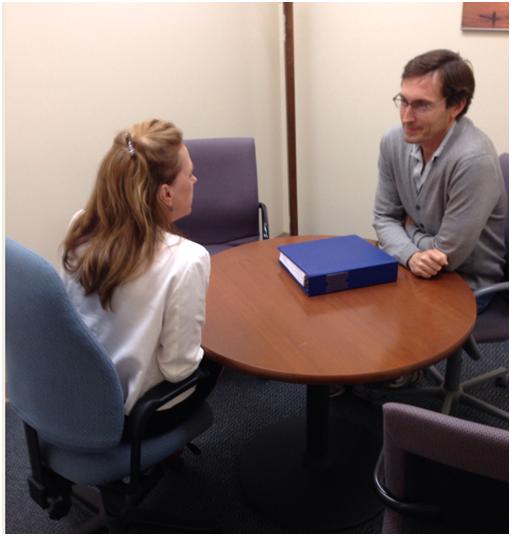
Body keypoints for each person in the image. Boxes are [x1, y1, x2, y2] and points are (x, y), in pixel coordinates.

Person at [61, 118, 220, 437]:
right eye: (188, 173)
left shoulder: (81, 226)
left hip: (79, 397)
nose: (195, 178)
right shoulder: (187, 259)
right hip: (139, 415)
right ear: (166, 194)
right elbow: (179, 370)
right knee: (215, 359)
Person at [374, 49, 507, 313]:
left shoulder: (473, 159)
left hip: (464, 284)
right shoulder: (392, 142)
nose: (406, 117)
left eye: (422, 105)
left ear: (456, 106)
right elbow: (384, 217)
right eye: (404, 101)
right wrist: (411, 255)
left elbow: (446, 258)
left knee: (380, 323)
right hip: (411, 268)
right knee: (350, 306)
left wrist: (408, 229)